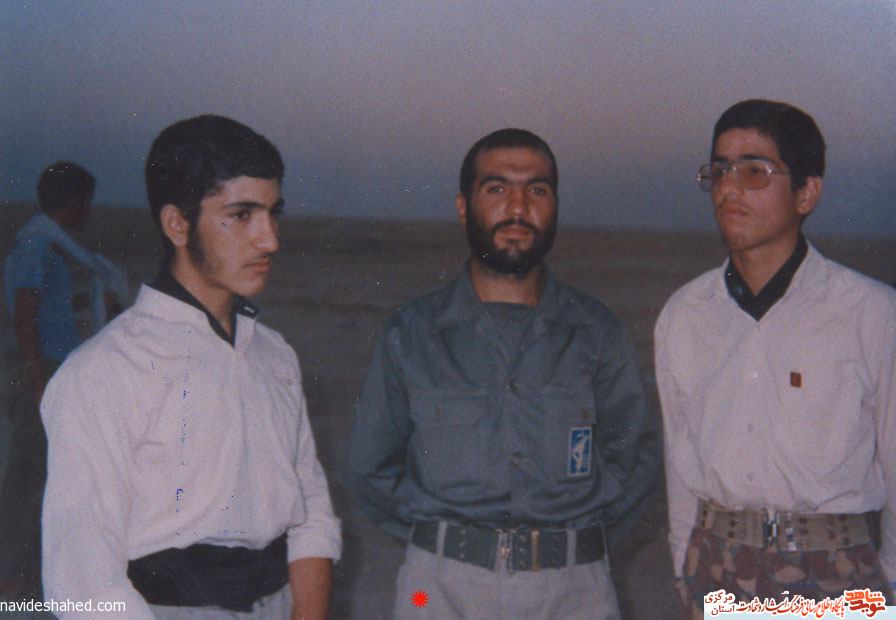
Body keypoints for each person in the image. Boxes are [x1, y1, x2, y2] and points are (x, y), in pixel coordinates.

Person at [347, 128, 659, 619]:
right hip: (435, 593)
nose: (518, 207)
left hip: (577, 595)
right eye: (496, 188)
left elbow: (635, 459)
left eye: (537, 189)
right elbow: (369, 467)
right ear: (463, 207)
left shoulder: (598, 331)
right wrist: (442, 541)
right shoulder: (411, 334)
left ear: (555, 207)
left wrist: (571, 547)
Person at [40, 115, 341, 619]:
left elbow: (310, 513)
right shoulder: (103, 371)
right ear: (177, 224)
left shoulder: (274, 354)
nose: (270, 240)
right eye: (241, 215)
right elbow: (83, 579)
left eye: (273, 213)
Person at [655, 99, 896, 616]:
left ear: (806, 193)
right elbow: (680, 462)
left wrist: (889, 587)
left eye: (754, 171)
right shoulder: (685, 314)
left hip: (835, 570)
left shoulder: (871, 313)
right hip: (717, 564)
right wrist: (684, 567)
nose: (729, 188)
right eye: (720, 170)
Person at [1, 161, 97, 598]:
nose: (89, 211)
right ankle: (10, 575)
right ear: (73, 202)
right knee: (28, 473)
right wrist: (39, 381)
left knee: (50, 475)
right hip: (42, 371)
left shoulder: (52, 246)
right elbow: (24, 315)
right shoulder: (37, 245)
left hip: (55, 371)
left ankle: (31, 570)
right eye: (86, 202)